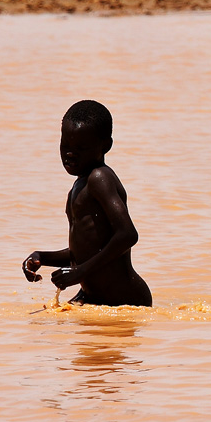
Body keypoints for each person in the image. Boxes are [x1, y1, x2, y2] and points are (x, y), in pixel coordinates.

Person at [23, 100, 152, 306]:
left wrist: (79, 272)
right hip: (94, 297)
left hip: (125, 299)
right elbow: (84, 251)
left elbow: (128, 235)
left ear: (106, 146)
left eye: (81, 147)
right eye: (65, 145)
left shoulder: (99, 178)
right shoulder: (78, 187)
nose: (70, 153)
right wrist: (42, 258)